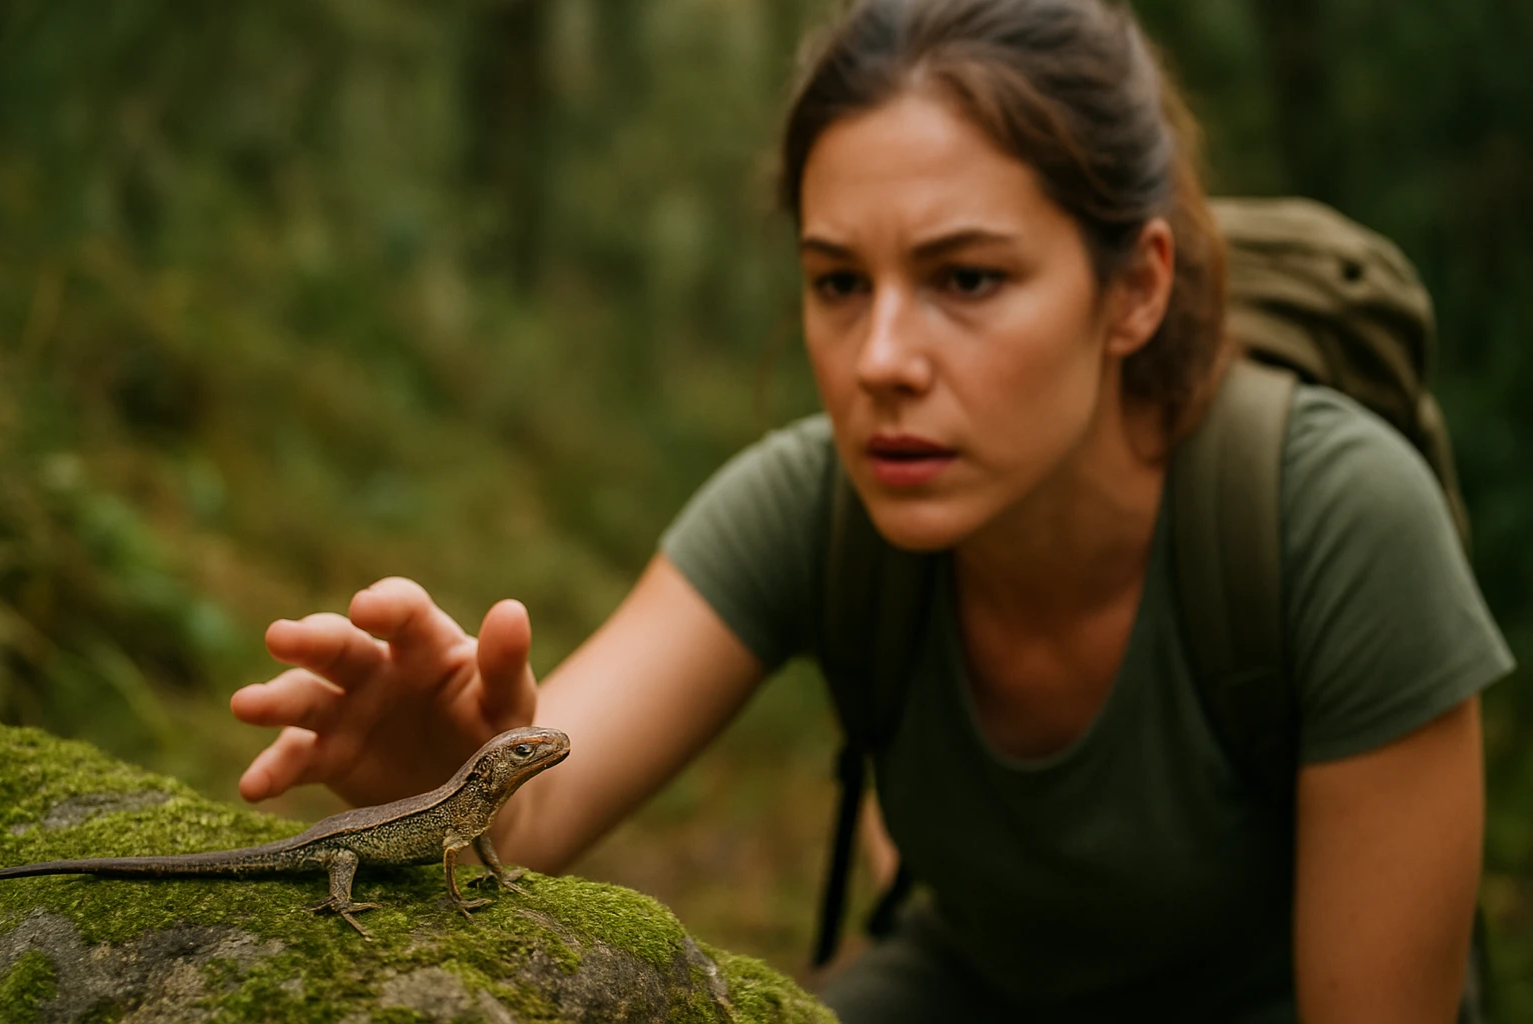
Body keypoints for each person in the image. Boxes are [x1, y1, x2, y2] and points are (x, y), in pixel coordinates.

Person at [229, 0, 1514, 1020]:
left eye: (966, 276)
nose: (881, 357)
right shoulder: (813, 499)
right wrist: (446, 779)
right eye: (838, 281)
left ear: (1136, 290)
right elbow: (545, 799)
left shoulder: (1337, 522)